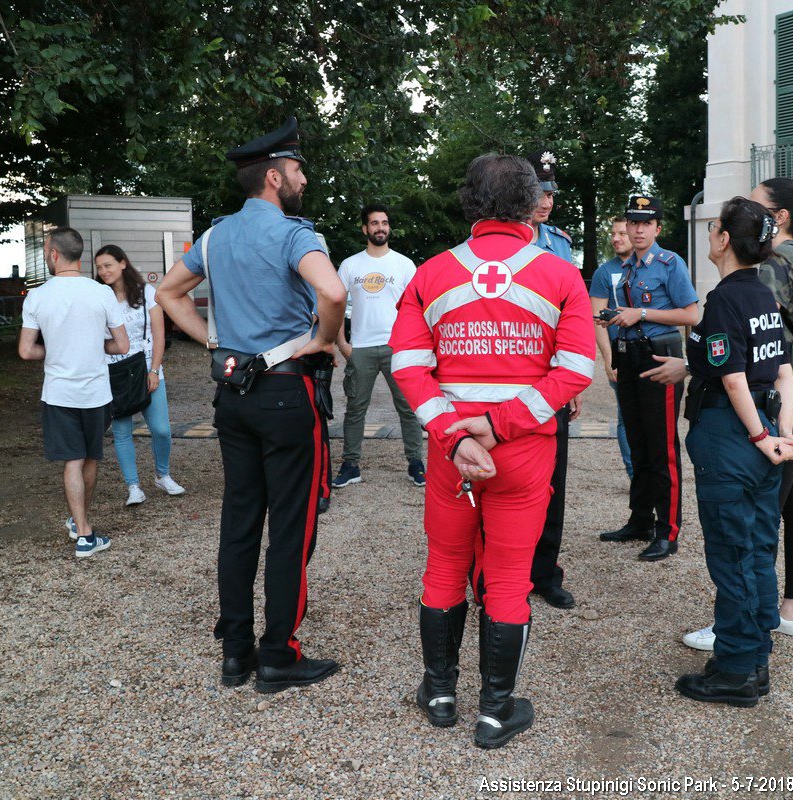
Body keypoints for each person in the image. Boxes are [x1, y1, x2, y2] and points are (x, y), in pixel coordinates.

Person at [389, 153, 595, 749]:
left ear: (470, 203)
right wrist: (498, 425)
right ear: (532, 203)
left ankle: (441, 692)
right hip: (523, 451)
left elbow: (408, 366)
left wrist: (456, 434)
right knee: (507, 580)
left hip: (452, 453)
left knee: (445, 566)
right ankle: (496, 710)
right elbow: (576, 368)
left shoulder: (430, 273)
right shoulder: (560, 275)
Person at [156, 117, 347, 694]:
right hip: (288, 395)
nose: (304, 178)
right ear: (273, 176)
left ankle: (235, 652)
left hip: (232, 396)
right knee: (290, 528)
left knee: (240, 522)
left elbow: (167, 292)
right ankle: (278, 657)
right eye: (297, 169)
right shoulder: (294, 234)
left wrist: (212, 341)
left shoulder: (214, 238)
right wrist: (322, 338)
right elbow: (333, 292)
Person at [681, 179, 793, 651]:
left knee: (750, 531)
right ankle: (787, 612)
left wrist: (764, 434)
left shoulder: (762, 273)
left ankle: (741, 630)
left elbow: (740, 361)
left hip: (766, 413)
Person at [674, 197, 793, 708]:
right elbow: (784, 374)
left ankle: (736, 671)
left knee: (733, 554)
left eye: (713, 228)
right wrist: (782, 433)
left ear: (726, 239)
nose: (710, 235)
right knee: (755, 550)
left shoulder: (728, 299)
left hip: (733, 438)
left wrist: (759, 436)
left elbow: (732, 378)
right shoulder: (763, 296)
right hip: (762, 432)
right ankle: (751, 660)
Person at [598, 195, 700, 561]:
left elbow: (691, 314)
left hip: (660, 357)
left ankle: (668, 530)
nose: (638, 229)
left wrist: (639, 313)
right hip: (630, 356)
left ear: (658, 228)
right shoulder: (628, 268)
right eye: (633, 223)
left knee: (662, 448)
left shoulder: (669, 263)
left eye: (646, 223)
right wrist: (616, 317)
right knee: (638, 444)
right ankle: (640, 519)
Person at [18, 227, 129, 558]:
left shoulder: (37, 296)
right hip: (96, 392)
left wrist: (53, 350)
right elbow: (121, 345)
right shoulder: (102, 293)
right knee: (91, 457)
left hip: (58, 393)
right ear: (79, 256)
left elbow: (26, 351)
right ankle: (82, 526)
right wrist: (94, 346)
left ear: (53, 254)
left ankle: (82, 531)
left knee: (72, 460)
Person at [332, 204, 425, 490]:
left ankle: (415, 464)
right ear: (365, 229)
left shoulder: (404, 264)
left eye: (384, 223)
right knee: (355, 410)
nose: (380, 228)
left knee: (409, 409)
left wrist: (414, 346)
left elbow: (418, 307)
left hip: (398, 347)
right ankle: (350, 465)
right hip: (360, 347)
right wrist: (342, 344)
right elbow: (334, 304)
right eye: (374, 223)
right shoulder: (350, 265)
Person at [523, 148, 579, 609]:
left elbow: (570, 318)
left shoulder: (559, 243)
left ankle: (545, 572)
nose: (545, 201)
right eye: (538, 192)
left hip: (551, 377)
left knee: (552, 482)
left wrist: (570, 380)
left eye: (550, 194)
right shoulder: (499, 242)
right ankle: (504, 572)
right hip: (511, 373)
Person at [94, 245, 186, 506]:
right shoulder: (99, 296)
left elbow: (159, 335)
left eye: (108, 265)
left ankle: (162, 474)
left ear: (123, 263)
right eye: (99, 267)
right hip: (114, 371)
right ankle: (133, 486)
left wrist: (154, 369)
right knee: (122, 432)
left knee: (161, 429)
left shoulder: (147, 292)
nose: (103, 271)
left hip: (146, 367)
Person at [588, 215, 635, 478]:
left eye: (621, 233)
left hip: (652, 352)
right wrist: (608, 359)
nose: (616, 238)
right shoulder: (605, 273)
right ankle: (634, 475)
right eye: (613, 234)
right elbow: (597, 320)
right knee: (626, 416)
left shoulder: (658, 265)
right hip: (622, 353)